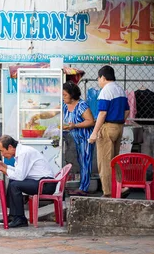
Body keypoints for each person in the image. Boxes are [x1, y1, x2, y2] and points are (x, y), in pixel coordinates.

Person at [26, 81, 95, 196]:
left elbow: (90, 121)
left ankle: (84, 188)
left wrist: (75, 125)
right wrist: (37, 115)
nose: (63, 97)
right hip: (74, 138)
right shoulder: (64, 104)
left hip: (85, 138)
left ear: (72, 95)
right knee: (80, 161)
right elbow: (52, 113)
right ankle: (80, 187)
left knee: (85, 162)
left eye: (65, 95)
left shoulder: (81, 105)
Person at [0, 135, 55, 228]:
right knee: (13, 181)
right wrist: (5, 166)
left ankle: (20, 219)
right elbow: (19, 172)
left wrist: (2, 168)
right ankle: (13, 216)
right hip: (39, 181)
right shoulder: (20, 152)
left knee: (15, 185)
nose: (2, 154)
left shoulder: (23, 153)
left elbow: (20, 176)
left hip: (46, 184)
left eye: (2, 150)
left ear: (10, 147)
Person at [88, 65, 129, 197]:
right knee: (115, 159)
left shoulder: (106, 91)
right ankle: (120, 187)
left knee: (104, 162)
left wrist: (94, 133)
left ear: (103, 78)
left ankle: (108, 192)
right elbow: (127, 111)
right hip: (119, 127)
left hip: (107, 127)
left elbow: (102, 114)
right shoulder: (120, 90)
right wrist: (120, 122)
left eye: (98, 79)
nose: (98, 82)